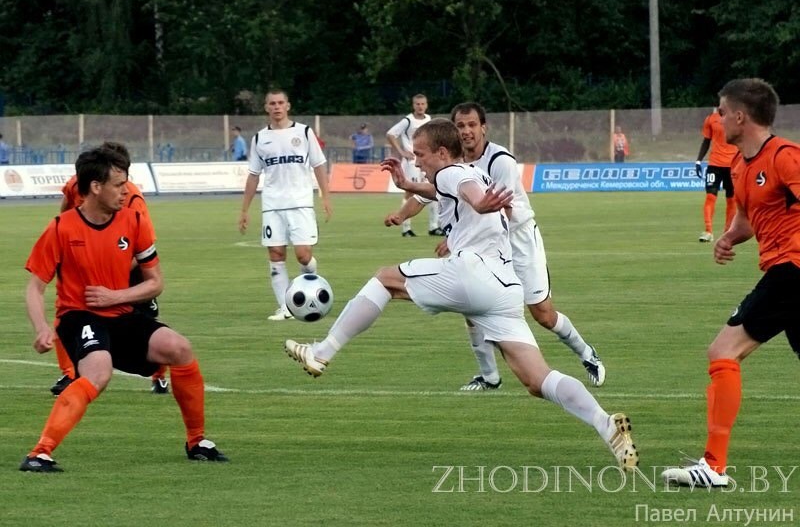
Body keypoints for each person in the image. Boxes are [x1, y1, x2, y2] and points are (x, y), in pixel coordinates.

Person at [284, 119, 639, 470]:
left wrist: (481, 204)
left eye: (420, 154)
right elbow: (449, 190)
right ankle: (606, 423)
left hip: (473, 273)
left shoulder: (452, 173)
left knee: (384, 280)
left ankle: (322, 352)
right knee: (537, 380)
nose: (416, 160)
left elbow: (465, 190)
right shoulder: (470, 173)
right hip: (505, 289)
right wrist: (408, 184)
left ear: (442, 152)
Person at [20, 145, 227, 472]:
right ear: (95, 187)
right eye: (118, 185)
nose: (126, 191)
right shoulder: (61, 227)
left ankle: (197, 441)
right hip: (79, 317)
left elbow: (155, 282)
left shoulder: (134, 220)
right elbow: (35, 287)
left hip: (121, 313)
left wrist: (115, 297)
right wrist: (42, 327)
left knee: (180, 348)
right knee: (98, 372)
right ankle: (39, 453)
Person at [387, 103, 605, 389]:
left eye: (472, 125)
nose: (466, 131)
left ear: (484, 128)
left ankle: (586, 353)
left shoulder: (500, 160)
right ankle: (489, 376)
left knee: (543, 314)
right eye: (460, 126)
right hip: (484, 246)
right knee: (472, 307)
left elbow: (501, 208)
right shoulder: (451, 163)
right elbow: (432, 193)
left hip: (518, 239)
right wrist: (401, 214)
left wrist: (455, 237)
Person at [662, 78, 797, 487]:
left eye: (721, 112)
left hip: (792, 271)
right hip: (784, 271)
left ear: (740, 116)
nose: (716, 119)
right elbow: (748, 219)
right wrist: (728, 238)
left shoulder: (785, 156)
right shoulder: (740, 164)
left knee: (723, 351)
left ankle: (713, 466)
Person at [50, 142, 169, 396]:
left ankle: (159, 376)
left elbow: (143, 247)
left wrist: (115, 272)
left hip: (128, 265)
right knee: (70, 314)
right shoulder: (76, 185)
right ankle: (70, 373)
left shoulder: (133, 200)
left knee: (144, 321)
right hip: (90, 264)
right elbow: (65, 210)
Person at [238, 89, 333, 321]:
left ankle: (310, 280)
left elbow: (318, 165)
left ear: (288, 106)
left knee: (303, 256)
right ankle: (286, 308)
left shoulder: (304, 132)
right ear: (266, 107)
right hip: (272, 205)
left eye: (280, 102)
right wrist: (244, 210)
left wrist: (325, 197)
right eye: (272, 103)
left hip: (301, 204)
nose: (277, 107)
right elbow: (253, 175)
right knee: (276, 254)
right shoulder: (260, 138)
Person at [386, 93, 443, 236]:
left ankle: (433, 226)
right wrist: (402, 151)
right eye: (418, 104)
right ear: (413, 105)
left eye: (423, 104)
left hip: (427, 160)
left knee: (433, 189)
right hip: (412, 162)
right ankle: (406, 228)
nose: (420, 106)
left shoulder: (429, 119)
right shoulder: (408, 121)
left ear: (426, 105)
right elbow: (391, 134)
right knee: (411, 191)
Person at [695, 107, 738, 243]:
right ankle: (708, 231)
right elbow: (706, 141)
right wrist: (698, 161)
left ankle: (727, 232)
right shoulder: (711, 119)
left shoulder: (737, 118)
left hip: (733, 165)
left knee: (731, 199)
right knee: (710, 197)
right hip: (714, 165)